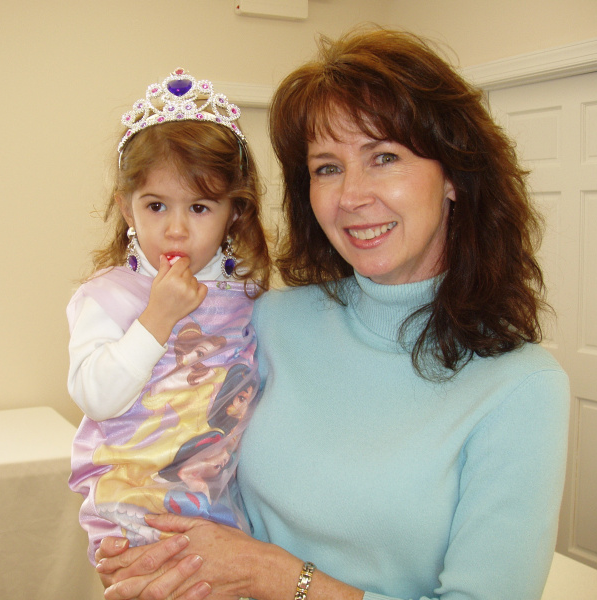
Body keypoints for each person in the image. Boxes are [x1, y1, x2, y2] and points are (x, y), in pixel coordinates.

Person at [92, 28, 570, 600]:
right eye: (326, 168)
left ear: (453, 176)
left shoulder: (521, 388)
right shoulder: (266, 322)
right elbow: (182, 468)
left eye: (384, 157)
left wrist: (274, 576)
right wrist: (150, 555)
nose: (351, 196)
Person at [67, 68, 271, 565]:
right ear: (127, 210)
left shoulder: (247, 297)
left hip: (218, 508)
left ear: (233, 213)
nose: (176, 230)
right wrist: (157, 317)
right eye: (156, 205)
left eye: (199, 208)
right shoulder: (109, 296)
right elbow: (95, 397)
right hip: (130, 510)